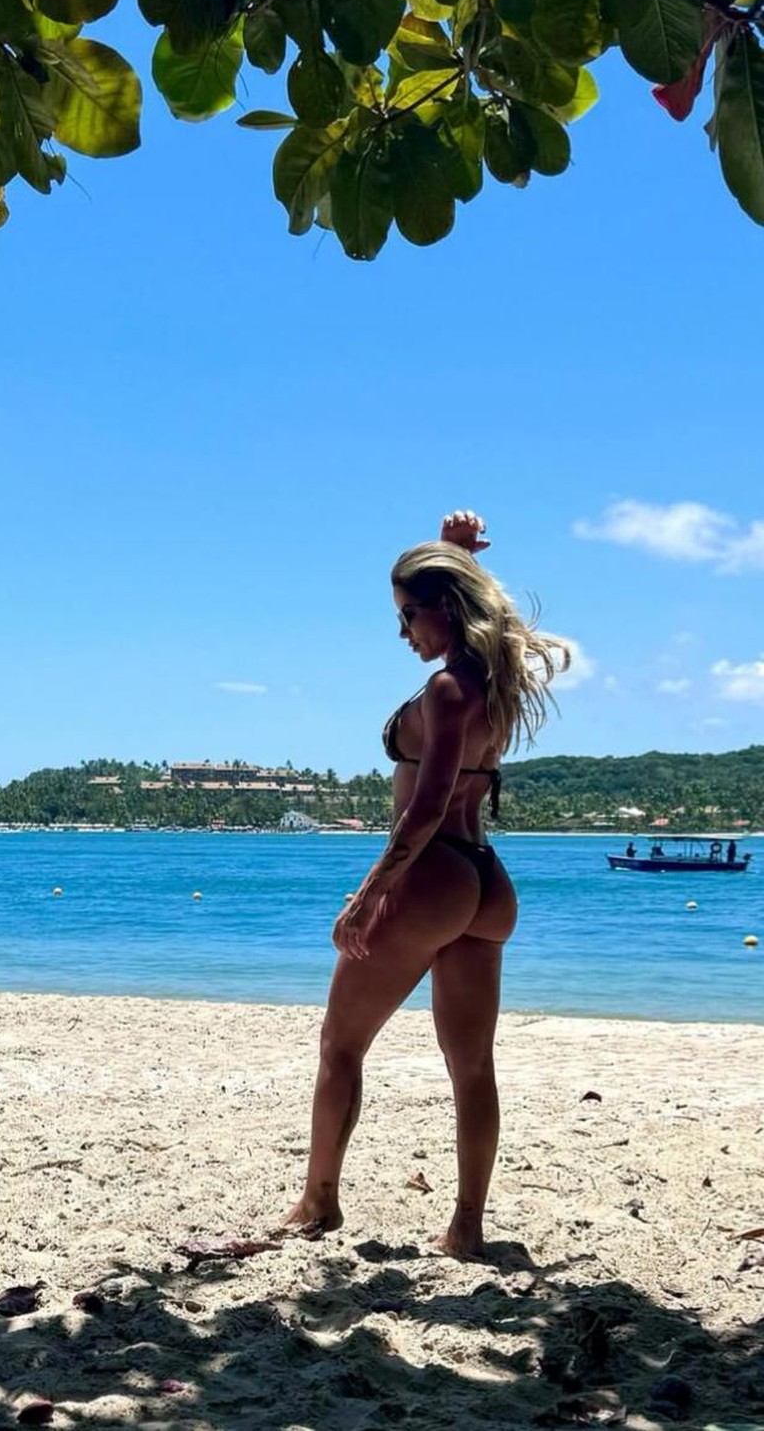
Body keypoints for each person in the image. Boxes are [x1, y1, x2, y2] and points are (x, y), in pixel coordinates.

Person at [279, 509, 569, 1259]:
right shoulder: (494, 680)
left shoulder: (445, 689)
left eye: (409, 614)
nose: (403, 631)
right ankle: (466, 1227)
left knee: (341, 1045)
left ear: (443, 607)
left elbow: (429, 803)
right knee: (471, 1066)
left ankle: (318, 1201)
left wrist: (369, 892)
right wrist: (457, 552)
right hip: (486, 880)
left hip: (433, 872)